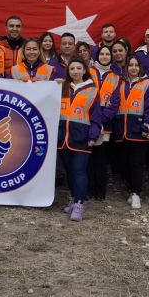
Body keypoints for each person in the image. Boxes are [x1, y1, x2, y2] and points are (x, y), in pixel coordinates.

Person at [59, 59, 103, 221]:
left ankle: (79, 204)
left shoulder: (92, 90)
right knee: (69, 171)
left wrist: (93, 136)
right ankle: (73, 198)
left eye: (79, 68)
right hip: (62, 137)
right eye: (72, 68)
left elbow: (96, 117)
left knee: (79, 170)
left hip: (82, 137)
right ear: (68, 71)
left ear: (84, 70)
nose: (75, 71)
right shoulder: (61, 87)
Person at [112, 55, 149, 210]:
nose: (133, 68)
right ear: (126, 67)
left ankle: (136, 193)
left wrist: (147, 125)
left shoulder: (147, 83)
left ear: (140, 67)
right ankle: (130, 189)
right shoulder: (120, 83)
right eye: (130, 65)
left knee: (137, 163)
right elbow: (114, 103)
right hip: (121, 130)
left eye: (136, 65)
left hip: (138, 130)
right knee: (124, 163)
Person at [89, 45, 118, 200]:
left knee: (101, 158)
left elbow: (114, 103)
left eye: (108, 54)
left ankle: (101, 191)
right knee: (88, 157)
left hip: (105, 123)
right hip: (87, 120)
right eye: (102, 54)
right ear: (97, 56)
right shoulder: (88, 72)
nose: (105, 56)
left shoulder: (116, 77)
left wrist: (101, 120)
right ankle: (89, 188)